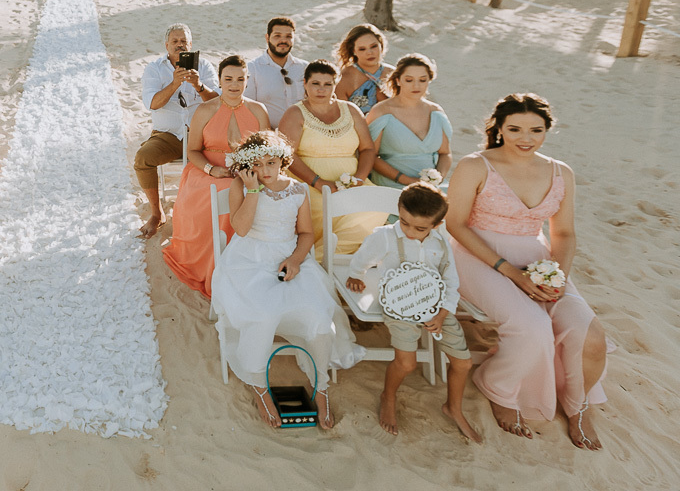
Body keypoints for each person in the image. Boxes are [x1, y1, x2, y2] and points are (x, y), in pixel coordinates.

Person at [446, 94, 608, 450]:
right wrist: (510, 273)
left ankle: (578, 406)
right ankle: (498, 388)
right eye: (515, 129)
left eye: (536, 130)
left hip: (538, 259)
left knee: (592, 337)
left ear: (547, 131)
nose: (526, 137)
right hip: (477, 255)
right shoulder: (475, 165)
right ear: (499, 129)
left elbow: (563, 233)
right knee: (531, 327)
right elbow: (455, 225)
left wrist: (557, 276)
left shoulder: (560, 171)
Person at [211, 131, 364, 430]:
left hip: (290, 257)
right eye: (258, 164)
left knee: (320, 316)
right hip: (249, 261)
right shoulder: (240, 186)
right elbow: (240, 229)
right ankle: (259, 384)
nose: (266, 171)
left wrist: (295, 260)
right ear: (247, 166)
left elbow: (305, 233)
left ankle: (321, 388)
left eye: (272, 163)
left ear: (283, 161)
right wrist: (252, 190)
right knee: (264, 315)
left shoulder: (297, 190)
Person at [346, 182, 480, 442]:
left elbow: (451, 281)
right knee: (407, 362)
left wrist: (442, 314)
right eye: (404, 222)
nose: (409, 231)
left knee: (464, 362)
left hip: (435, 307)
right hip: (400, 306)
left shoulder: (441, 244)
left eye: (420, 228)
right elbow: (362, 258)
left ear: (436, 226)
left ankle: (453, 408)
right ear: (399, 211)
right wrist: (355, 275)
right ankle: (389, 395)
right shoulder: (384, 236)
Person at [161, 55, 269, 297]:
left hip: (247, 172)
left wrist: (252, 173)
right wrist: (212, 170)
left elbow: (266, 151)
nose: (234, 84)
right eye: (228, 79)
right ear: (219, 80)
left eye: (240, 79)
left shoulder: (258, 110)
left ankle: (247, 266)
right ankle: (216, 265)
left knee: (247, 192)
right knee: (224, 192)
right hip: (206, 170)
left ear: (247, 81)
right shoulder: (205, 109)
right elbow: (192, 151)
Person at [277, 60, 386, 256]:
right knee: (323, 209)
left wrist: (360, 178)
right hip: (308, 183)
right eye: (315, 83)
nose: (321, 89)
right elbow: (287, 155)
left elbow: (368, 148)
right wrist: (318, 182)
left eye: (328, 84)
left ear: (335, 84)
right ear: (305, 83)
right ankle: (322, 259)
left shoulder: (351, 110)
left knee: (375, 207)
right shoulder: (295, 113)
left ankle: (332, 257)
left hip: (353, 182)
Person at [134, 24, 219, 238]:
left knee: (219, 162)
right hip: (167, 135)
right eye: (175, 41)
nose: (180, 45)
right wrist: (175, 83)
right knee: (143, 158)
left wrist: (199, 86)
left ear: (191, 45)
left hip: (200, 135)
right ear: (167, 45)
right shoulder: (154, 68)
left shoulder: (205, 66)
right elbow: (152, 103)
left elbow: (218, 103)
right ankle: (157, 213)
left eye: (184, 41)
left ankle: (206, 212)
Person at [366, 54, 452, 188]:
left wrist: (438, 178)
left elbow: (445, 153)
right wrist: (406, 180)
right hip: (392, 184)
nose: (416, 86)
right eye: (409, 80)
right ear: (398, 80)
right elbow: (370, 155)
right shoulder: (381, 111)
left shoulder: (436, 112)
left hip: (430, 187)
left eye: (422, 80)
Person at [244, 16, 309, 129]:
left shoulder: (305, 67)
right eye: (277, 36)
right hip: (267, 135)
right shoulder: (253, 67)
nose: (283, 40)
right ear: (267, 37)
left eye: (288, 36)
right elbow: (248, 106)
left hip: (303, 133)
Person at [334, 23, 395, 115]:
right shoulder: (344, 78)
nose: (369, 52)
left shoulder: (394, 73)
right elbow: (340, 117)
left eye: (373, 46)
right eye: (362, 49)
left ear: (381, 45)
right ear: (354, 51)